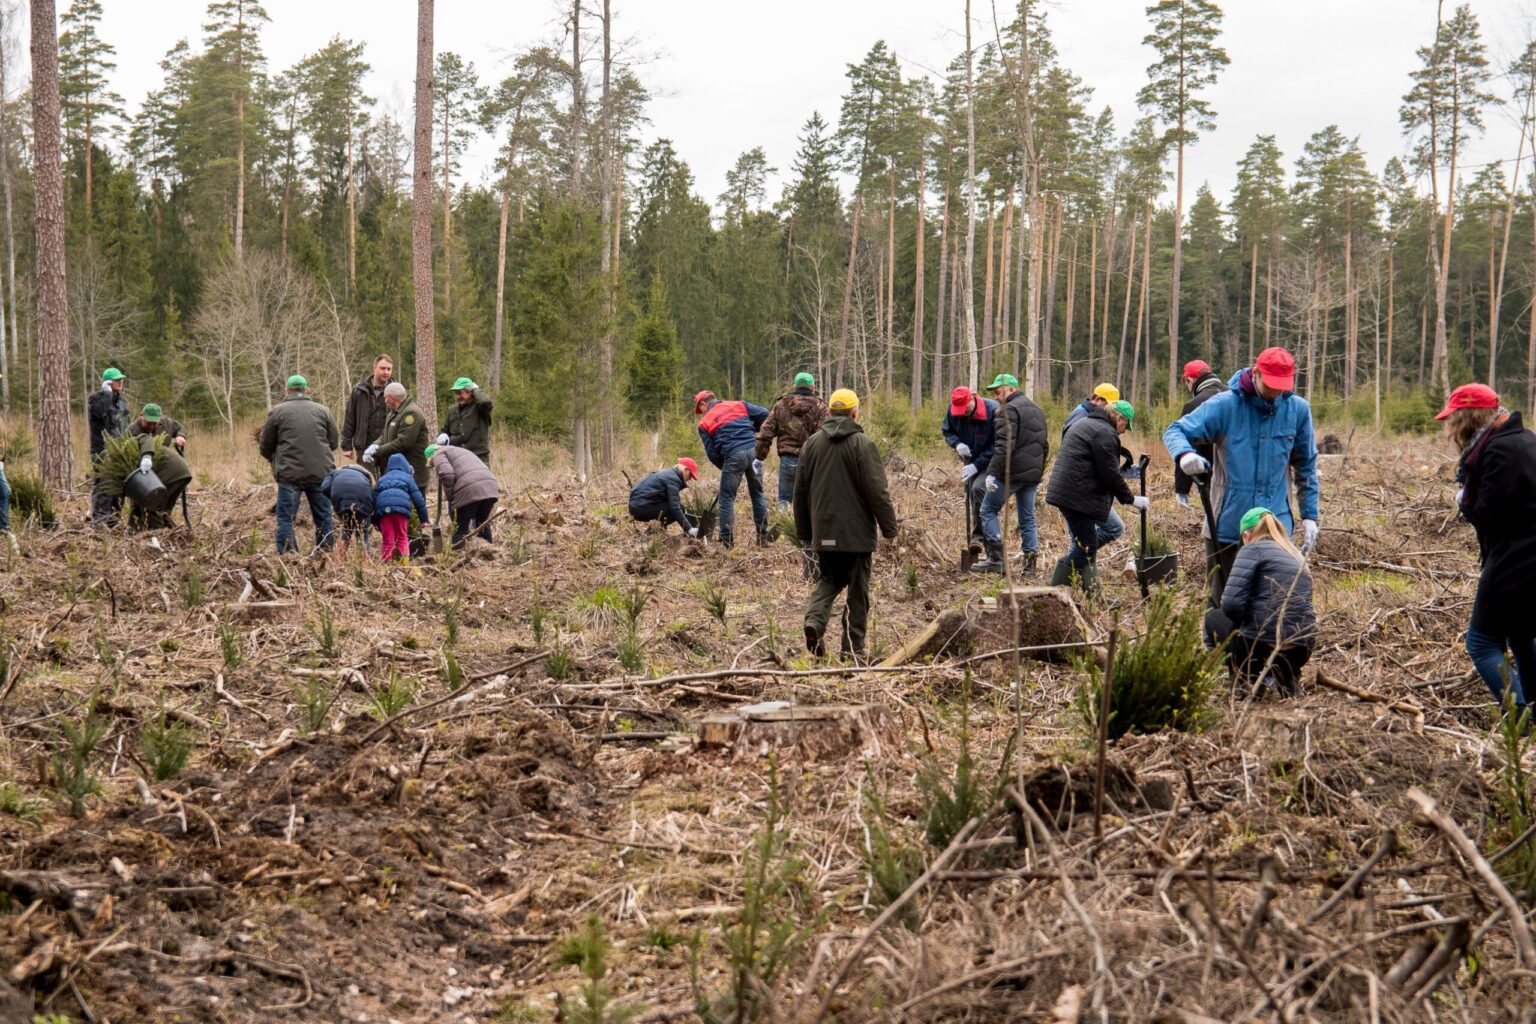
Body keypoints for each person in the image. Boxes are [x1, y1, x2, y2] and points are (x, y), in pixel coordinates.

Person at [1163, 346, 1320, 606]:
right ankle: (1222, 647)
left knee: (1274, 604)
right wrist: (1184, 455)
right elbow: (1175, 430)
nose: (1276, 392)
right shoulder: (1226, 405)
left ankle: (1263, 648)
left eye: (1282, 386)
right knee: (1224, 603)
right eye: (1271, 385)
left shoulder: (1297, 410)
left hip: (1276, 526)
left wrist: (1310, 515)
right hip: (1228, 526)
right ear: (1256, 373)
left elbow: (1306, 466)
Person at [1438, 383, 1536, 712]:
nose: (1450, 428)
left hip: (1516, 560)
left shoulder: (1498, 450)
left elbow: (1486, 513)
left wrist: (1463, 499)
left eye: (1453, 419)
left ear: (1467, 418)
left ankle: (1518, 722)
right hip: (1525, 555)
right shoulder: (1524, 440)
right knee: (1522, 634)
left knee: (1481, 643)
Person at [794, 388, 899, 659]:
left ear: (829, 412)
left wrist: (804, 532)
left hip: (824, 532)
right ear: (855, 412)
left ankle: (814, 622)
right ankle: (852, 649)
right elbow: (878, 491)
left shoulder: (811, 444)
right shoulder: (862, 444)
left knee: (828, 579)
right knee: (857, 591)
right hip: (856, 535)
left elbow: (800, 492)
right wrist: (890, 528)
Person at [1204, 507, 1316, 696]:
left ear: (1246, 535)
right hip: (1302, 649)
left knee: (1213, 618)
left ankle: (1245, 679)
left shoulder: (1252, 548)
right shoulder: (1295, 554)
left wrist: (1244, 620)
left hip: (1261, 648)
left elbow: (1230, 605)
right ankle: (1288, 675)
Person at [1046, 399, 1147, 594]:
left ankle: (1094, 597)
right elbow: (1109, 474)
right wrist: (1132, 499)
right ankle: (1052, 592)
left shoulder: (1089, 423)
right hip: (1075, 496)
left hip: (1071, 492)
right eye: (1126, 424)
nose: (1125, 430)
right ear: (1119, 418)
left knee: (1086, 545)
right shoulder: (1104, 432)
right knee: (1087, 546)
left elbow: (1099, 466)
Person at [973, 374, 1048, 576]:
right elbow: (1044, 446)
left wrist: (992, 473)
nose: (996, 397)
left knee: (987, 510)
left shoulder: (1008, 410)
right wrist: (1037, 472)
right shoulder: (1037, 410)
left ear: (1012, 389)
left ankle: (996, 559)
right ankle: (1030, 567)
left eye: (999, 392)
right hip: (1031, 475)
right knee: (1027, 518)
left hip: (1010, 473)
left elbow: (1004, 446)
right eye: (995, 393)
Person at [258, 374, 339, 554]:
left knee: (286, 519)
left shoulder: (277, 412)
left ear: (287, 390)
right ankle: (325, 556)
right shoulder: (323, 410)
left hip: (289, 476)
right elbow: (333, 442)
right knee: (324, 518)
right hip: (320, 474)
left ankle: (289, 558)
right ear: (307, 389)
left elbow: (265, 445)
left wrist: (276, 461)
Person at [694, 390, 770, 547]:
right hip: (754, 452)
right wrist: (751, 429)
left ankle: (726, 540)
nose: (700, 413)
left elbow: (712, 453)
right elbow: (765, 414)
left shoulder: (704, 423)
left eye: (699, 410)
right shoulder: (738, 404)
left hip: (733, 456)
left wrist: (726, 466)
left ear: (703, 404)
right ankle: (762, 537)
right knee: (757, 494)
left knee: (726, 497)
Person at [755, 372, 829, 507]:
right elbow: (825, 436)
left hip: (787, 459)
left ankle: (784, 527)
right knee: (810, 502)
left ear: (795, 386)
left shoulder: (782, 404)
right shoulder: (821, 408)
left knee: (784, 500)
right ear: (812, 387)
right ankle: (805, 528)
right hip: (810, 460)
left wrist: (759, 456)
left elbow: (766, 431)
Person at [940, 385, 999, 553]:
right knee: (972, 497)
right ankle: (978, 543)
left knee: (978, 489)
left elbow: (998, 445)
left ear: (972, 398)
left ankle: (983, 540)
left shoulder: (992, 410)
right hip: (970, 460)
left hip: (991, 462)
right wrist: (957, 443)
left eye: (965, 408)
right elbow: (947, 430)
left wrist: (977, 465)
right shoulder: (953, 410)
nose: (962, 413)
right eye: (958, 410)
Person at [1174, 360, 1225, 508]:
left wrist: (1182, 489)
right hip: (1241, 474)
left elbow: (1184, 445)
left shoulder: (1194, 405)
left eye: (1186, 382)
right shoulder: (1234, 395)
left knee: (1216, 524)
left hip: (1211, 478)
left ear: (1190, 380)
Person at [426, 443, 498, 547]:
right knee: (482, 524)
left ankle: (456, 556)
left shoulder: (438, 454)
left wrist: (450, 498)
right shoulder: (458, 450)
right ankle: (490, 553)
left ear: (431, 457)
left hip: (471, 489)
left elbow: (447, 475)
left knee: (461, 529)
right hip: (490, 486)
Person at [366, 382, 431, 489]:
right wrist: (375, 445)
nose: (385, 401)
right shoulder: (394, 412)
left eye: (386, 398)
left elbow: (404, 442)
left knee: (412, 504)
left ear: (392, 398)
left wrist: (378, 451)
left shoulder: (411, 413)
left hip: (412, 472)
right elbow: (384, 434)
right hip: (397, 471)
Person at [88, 367, 132, 524]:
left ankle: (113, 521)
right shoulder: (96, 399)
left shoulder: (122, 402)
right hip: (102, 450)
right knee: (104, 486)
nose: (121, 382)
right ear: (107, 382)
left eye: (121, 379)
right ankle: (99, 521)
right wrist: (106, 394)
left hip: (120, 450)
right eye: (117, 380)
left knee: (118, 486)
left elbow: (127, 425)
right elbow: (99, 412)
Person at [373, 453, 429, 563]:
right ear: (405, 466)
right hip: (401, 511)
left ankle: (387, 567)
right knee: (402, 538)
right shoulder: (408, 478)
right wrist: (424, 519)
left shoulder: (381, 479)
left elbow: (373, 501)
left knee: (388, 541)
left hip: (384, 511)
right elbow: (419, 500)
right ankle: (404, 565)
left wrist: (374, 521)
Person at [629, 457, 702, 536]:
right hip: (641, 508)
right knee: (679, 508)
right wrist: (689, 529)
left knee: (678, 507)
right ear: (685, 469)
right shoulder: (673, 479)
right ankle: (653, 531)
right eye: (690, 475)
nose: (690, 478)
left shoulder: (668, 473)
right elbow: (674, 507)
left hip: (635, 506)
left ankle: (651, 531)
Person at [342, 354, 393, 462]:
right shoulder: (359, 390)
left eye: (389, 369)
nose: (386, 372)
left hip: (389, 446)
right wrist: (346, 446)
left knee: (389, 479)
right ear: (374, 368)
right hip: (364, 446)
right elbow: (350, 418)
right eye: (383, 368)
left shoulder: (397, 390)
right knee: (366, 478)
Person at [321, 463, 376, 560]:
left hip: (342, 501)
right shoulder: (366, 476)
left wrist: (337, 494)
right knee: (363, 534)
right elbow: (372, 494)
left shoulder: (335, 472)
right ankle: (365, 563)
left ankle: (340, 560)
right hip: (363, 503)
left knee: (347, 529)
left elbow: (324, 487)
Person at [437, 377, 494, 463]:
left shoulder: (480, 408)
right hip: (457, 459)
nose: (458, 396)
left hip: (478, 459)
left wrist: (475, 389)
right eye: (456, 393)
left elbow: (485, 402)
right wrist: (443, 436)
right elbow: (445, 430)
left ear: (470, 392)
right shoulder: (452, 410)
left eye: (461, 393)